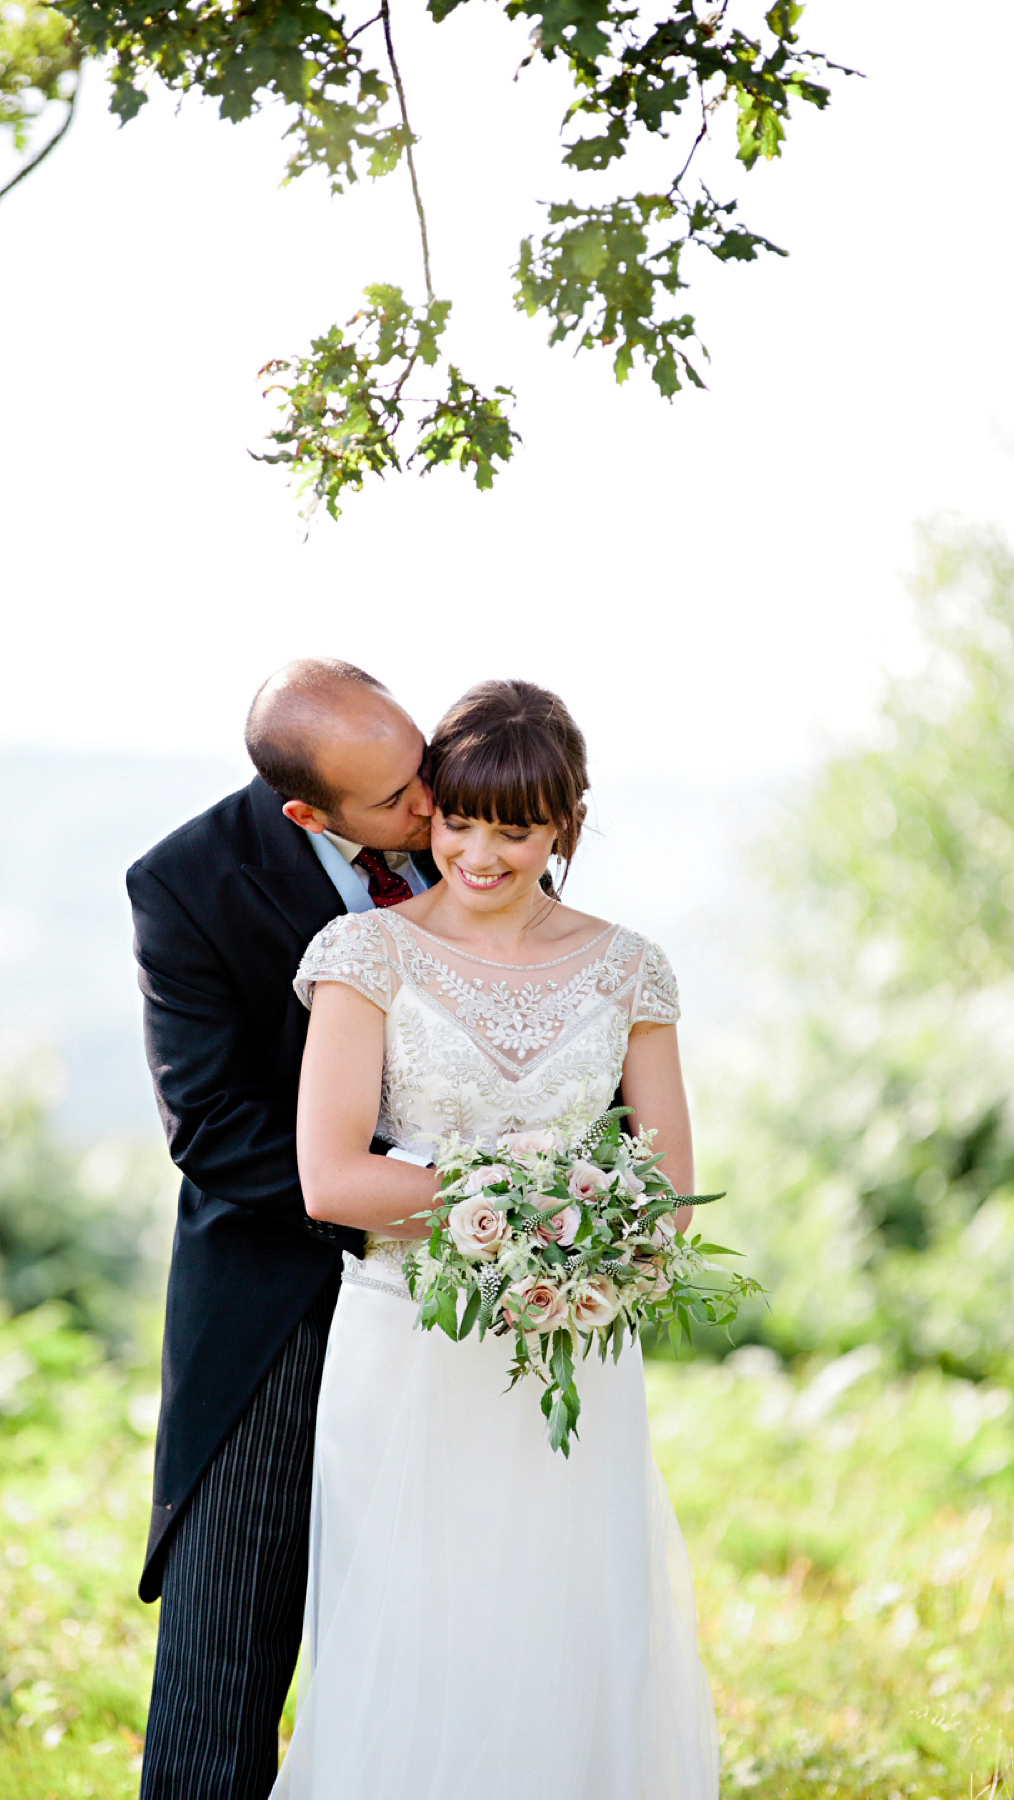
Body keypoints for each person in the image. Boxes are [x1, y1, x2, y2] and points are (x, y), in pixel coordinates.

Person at [273, 678, 719, 1800]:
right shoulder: (363, 955)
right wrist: (514, 1199)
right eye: (459, 819)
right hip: (407, 1346)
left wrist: (581, 1242)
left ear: (564, 823)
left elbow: (666, 1193)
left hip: (568, 1351)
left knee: (567, 1626)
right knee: (416, 1633)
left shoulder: (631, 968)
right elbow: (332, 1178)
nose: (478, 852)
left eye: (514, 830)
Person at [129, 658, 436, 1800]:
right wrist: (395, 1196)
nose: (433, 805)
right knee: (227, 1649)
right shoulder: (185, 884)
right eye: (398, 798)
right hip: (273, 1300)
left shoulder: (463, 807)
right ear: (308, 813)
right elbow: (208, 1126)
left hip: (468, 1303)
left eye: (423, 764)